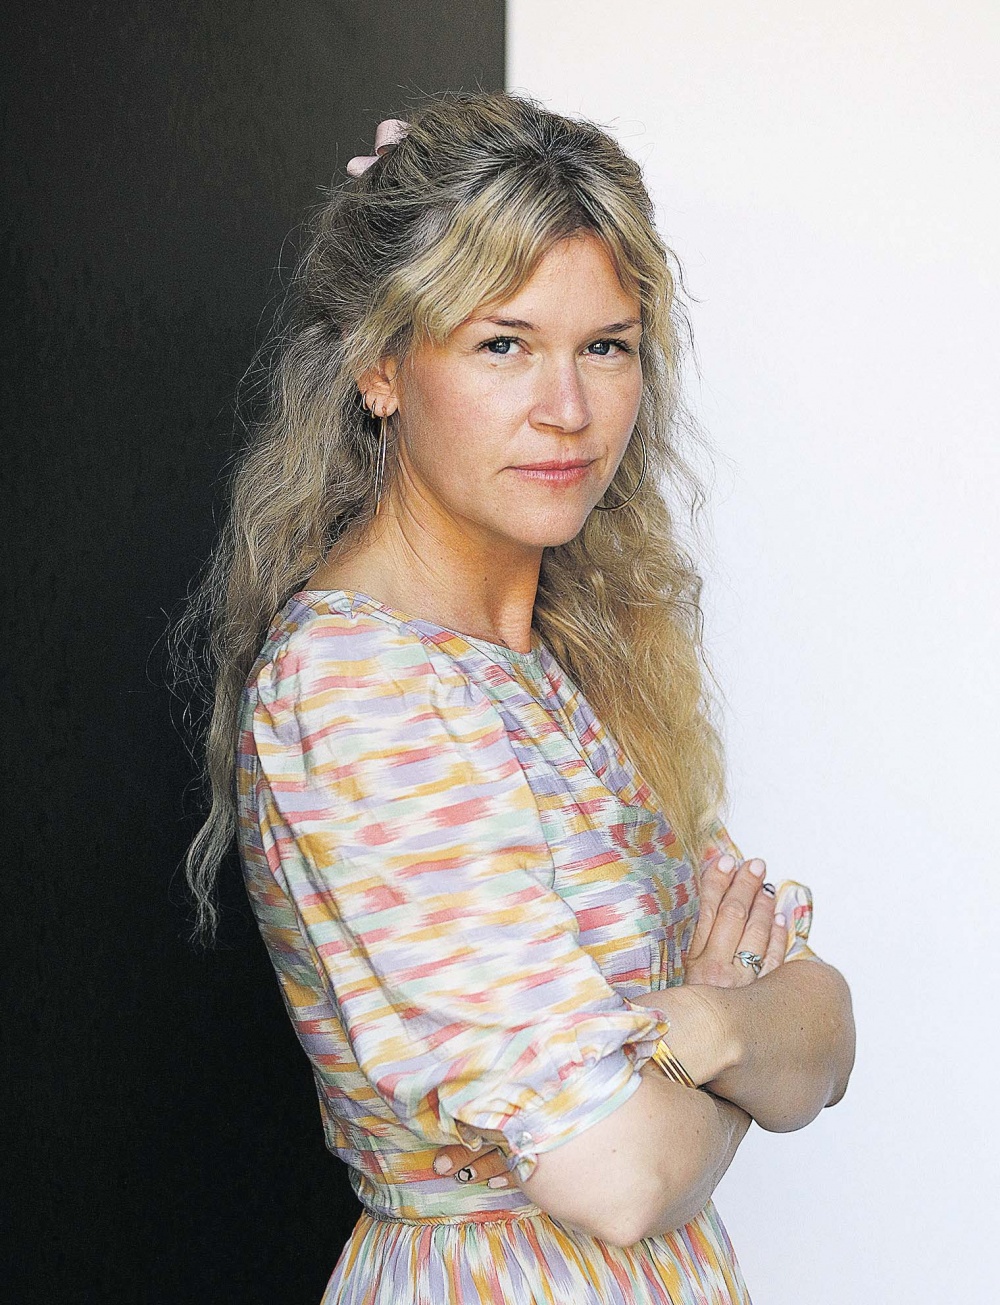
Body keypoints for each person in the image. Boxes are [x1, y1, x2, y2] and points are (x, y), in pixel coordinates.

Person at [175, 89, 855, 1304]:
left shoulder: (571, 664)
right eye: (504, 344)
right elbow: (621, 1177)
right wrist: (722, 1038)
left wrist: (706, 1032)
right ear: (380, 365)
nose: (569, 411)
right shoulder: (361, 690)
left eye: (607, 345)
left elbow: (826, 1035)